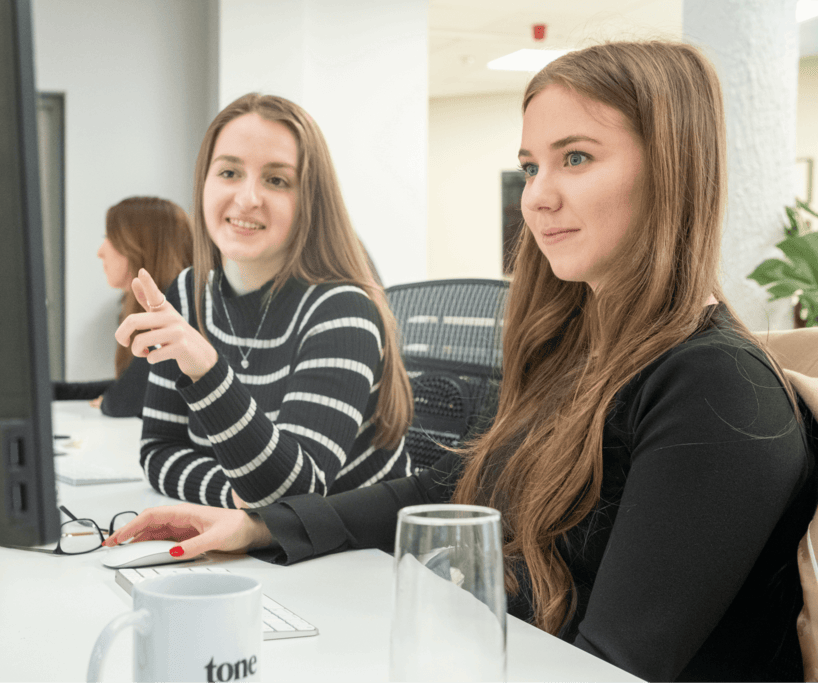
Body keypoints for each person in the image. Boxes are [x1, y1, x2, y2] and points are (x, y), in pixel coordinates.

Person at [105, 42, 818, 683]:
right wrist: (260, 526)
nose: (537, 196)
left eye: (576, 157)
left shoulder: (714, 389)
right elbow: (457, 489)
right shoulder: (582, 350)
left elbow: (610, 668)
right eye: (531, 165)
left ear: (671, 166)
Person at [112, 94, 413, 510]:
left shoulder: (343, 312)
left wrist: (207, 370)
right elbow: (159, 453)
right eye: (229, 172)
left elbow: (295, 495)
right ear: (204, 183)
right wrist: (238, 498)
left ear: (309, 199)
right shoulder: (187, 294)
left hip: (354, 563)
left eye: (276, 180)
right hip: (255, 554)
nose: (248, 198)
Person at [53, 196, 193, 417]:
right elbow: (130, 386)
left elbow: (124, 402)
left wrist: (110, 401)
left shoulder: (177, 309)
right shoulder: (160, 303)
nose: (100, 251)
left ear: (138, 247)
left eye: (109, 238)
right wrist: (52, 392)